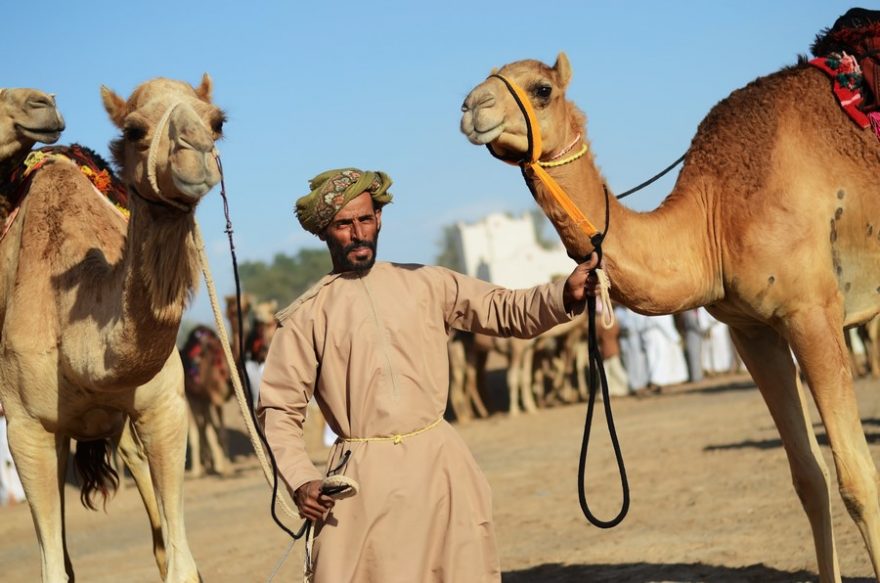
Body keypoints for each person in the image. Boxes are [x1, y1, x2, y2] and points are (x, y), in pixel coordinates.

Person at [257, 167, 597, 582]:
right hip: (362, 481)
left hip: (441, 466)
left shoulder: (426, 282)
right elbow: (278, 411)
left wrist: (563, 293)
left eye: (365, 219)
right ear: (326, 231)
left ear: (379, 218)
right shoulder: (307, 317)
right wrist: (302, 480)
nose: (358, 232)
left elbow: (502, 309)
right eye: (344, 224)